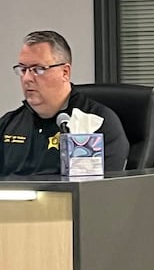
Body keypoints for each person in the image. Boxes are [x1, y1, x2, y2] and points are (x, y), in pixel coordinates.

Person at [0, 30, 130, 175]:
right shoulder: (9, 124)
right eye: (23, 69)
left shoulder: (95, 124)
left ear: (65, 72)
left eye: (38, 69)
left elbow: (103, 190)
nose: (27, 78)